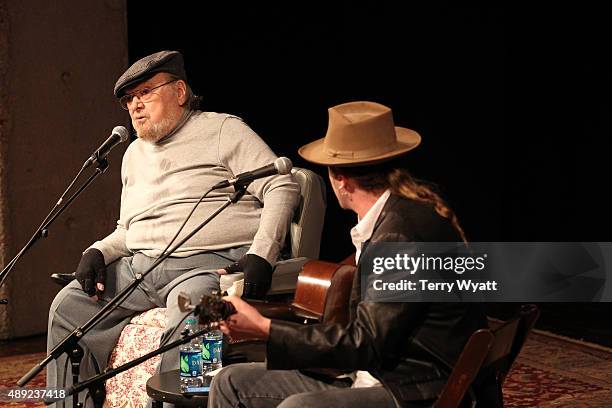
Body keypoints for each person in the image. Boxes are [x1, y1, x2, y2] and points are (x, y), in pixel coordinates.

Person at [46, 50, 299, 407]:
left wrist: (262, 253)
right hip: (141, 268)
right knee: (67, 306)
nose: (135, 105)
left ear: (180, 92)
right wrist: (99, 250)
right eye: (129, 100)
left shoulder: (222, 129)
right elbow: (128, 228)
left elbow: (281, 185)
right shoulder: (133, 154)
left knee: (195, 309)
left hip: (204, 267)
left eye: (145, 92)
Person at [208, 101, 499, 407]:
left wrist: (265, 328)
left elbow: (367, 344)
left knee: (299, 406)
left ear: (340, 179)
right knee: (231, 382)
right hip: (379, 370)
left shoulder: (400, 237)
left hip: (415, 386)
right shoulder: (394, 215)